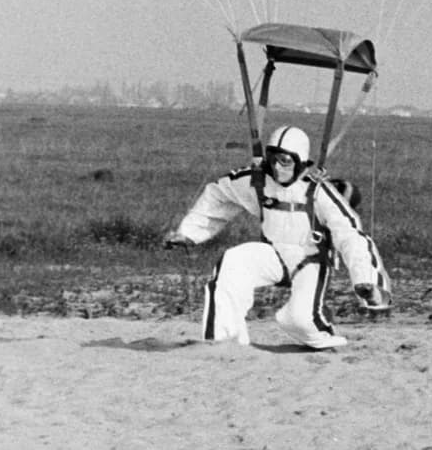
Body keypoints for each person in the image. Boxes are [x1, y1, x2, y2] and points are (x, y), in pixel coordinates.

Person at [163, 125, 391, 349]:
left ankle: (321, 334)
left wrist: (365, 280)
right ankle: (223, 342)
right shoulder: (258, 181)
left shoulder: (319, 191)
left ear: (300, 162)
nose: (277, 167)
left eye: (285, 161)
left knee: (296, 320)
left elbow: (350, 236)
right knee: (233, 261)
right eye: (273, 160)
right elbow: (219, 194)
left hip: (310, 261)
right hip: (274, 255)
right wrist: (188, 233)